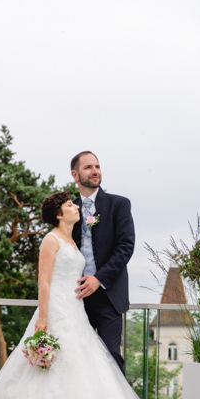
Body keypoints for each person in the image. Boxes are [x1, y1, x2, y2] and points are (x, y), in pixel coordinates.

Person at [0, 191, 149, 399]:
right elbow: (44, 281)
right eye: (69, 205)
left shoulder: (72, 241)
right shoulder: (50, 240)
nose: (76, 207)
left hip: (76, 310)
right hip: (56, 309)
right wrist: (43, 318)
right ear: (59, 214)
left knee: (83, 362)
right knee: (53, 365)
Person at [71, 151, 134, 373]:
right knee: (76, 357)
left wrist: (98, 279)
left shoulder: (119, 204)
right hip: (76, 296)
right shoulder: (68, 209)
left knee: (110, 357)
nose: (95, 171)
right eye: (88, 167)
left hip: (109, 295)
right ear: (75, 175)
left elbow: (125, 247)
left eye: (97, 166)